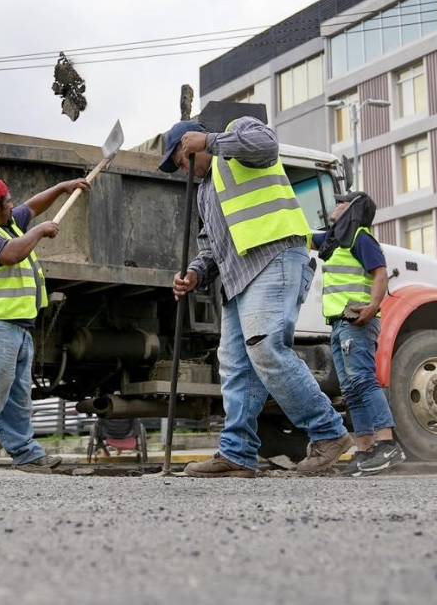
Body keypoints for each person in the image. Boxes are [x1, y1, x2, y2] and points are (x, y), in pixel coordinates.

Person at [162, 116, 351, 477]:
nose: (182, 169)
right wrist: (195, 273)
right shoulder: (204, 194)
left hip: (274, 256)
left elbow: (267, 145)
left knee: (265, 347)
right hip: (237, 278)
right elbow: (210, 248)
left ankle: (328, 432)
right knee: (235, 365)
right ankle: (237, 453)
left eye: (180, 159)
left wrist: (210, 139)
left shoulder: (236, 134)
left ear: (192, 144)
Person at [0, 175, 89, 469]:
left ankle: (25, 452)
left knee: (17, 397)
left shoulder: (7, 222)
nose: (14, 205)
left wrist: (61, 188)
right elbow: (11, 254)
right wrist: (39, 231)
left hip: (15, 326)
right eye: (8, 201)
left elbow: (32, 207)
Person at [314, 190, 403, 476]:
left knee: (363, 381)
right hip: (339, 324)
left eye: (341, 202)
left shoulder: (360, 238)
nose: (336, 205)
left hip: (357, 322)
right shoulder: (335, 239)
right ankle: (365, 451)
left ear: (353, 208)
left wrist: (373, 306)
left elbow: (380, 273)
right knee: (351, 390)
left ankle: (387, 444)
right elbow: (303, 237)